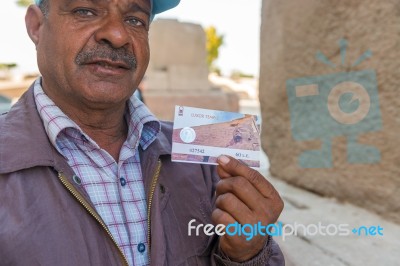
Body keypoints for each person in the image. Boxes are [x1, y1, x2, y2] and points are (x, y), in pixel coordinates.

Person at [0, 0, 285, 265]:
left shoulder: (207, 158)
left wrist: (248, 254)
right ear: (36, 26)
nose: (117, 35)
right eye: (85, 11)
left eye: (135, 20)